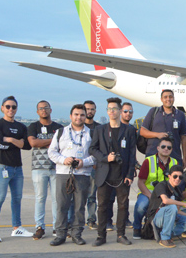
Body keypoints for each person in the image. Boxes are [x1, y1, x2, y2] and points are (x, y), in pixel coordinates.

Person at [89, 97, 137, 247]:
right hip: (104, 174)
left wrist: (130, 174)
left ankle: (121, 234)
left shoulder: (128, 130)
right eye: (109, 109)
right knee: (102, 205)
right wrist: (105, 158)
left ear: (120, 111)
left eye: (114, 109)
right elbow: (92, 149)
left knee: (123, 205)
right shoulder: (100, 129)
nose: (112, 111)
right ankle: (101, 235)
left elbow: (131, 153)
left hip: (122, 175)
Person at [48, 104, 95, 246]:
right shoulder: (61, 132)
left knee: (79, 206)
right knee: (62, 205)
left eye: (81, 115)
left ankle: (77, 234)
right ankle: (60, 234)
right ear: (71, 116)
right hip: (63, 173)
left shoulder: (90, 133)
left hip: (82, 174)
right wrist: (64, 160)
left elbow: (96, 155)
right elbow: (52, 152)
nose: (79, 117)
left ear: (85, 117)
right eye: (76, 114)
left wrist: (84, 162)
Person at [0, 96, 33, 243]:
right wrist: (17, 142)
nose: (10, 109)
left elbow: (27, 145)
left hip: (17, 168)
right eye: (8, 106)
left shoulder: (21, 126)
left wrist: (11, 139)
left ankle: (17, 228)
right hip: (2, 166)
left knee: (17, 198)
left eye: (13, 107)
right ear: (2, 108)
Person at [28, 100, 63, 240]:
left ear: (50, 110)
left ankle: (56, 226)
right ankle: (40, 227)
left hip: (56, 167)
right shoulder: (33, 126)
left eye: (46, 108)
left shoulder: (59, 127)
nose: (44, 110)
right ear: (37, 111)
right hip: (38, 168)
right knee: (40, 198)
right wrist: (53, 141)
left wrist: (44, 142)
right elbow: (33, 143)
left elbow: (62, 144)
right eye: (41, 108)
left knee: (57, 199)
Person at [132, 137, 178, 239]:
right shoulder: (148, 161)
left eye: (169, 147)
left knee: (173, 207)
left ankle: (163, 229)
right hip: (149, 192)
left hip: (166, 194)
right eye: (163, 146)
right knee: (141, 206)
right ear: (158, 148)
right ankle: (137, 227)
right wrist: (150, 196)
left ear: (171, 149)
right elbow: (140, 182)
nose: (166, 149)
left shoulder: (174, 163)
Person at [146, 165, 186, 248]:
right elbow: (165, 200)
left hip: (169, 217)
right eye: (175, 176)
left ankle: (167, 233)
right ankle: (165, 238)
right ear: (169, 176)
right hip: (156, 218)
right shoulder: (162, 185)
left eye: (180, 177)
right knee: (172, 207)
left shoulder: (177, 190)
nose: (177, 179)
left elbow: (177, 211)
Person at [140, 89, 186, 166]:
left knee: (175, 178)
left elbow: (184, 137)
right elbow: (142, 131)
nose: (168, 99)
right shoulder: (154, 112)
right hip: (153, 155)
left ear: (174, 98)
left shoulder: (180, 115)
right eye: (165, 97)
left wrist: (185, 158)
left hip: (174, 156)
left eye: (170, 97)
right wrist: (157, 135)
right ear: (161, 99)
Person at [83, 100, 100, 230]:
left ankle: (91, 219)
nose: (90, 111)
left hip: (93, 166)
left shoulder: (99, 128)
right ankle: (75, 220)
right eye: (87, 109)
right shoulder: (78, 126)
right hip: (80, 167)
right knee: (77, 196)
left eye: (92, 109)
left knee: (92, 196)